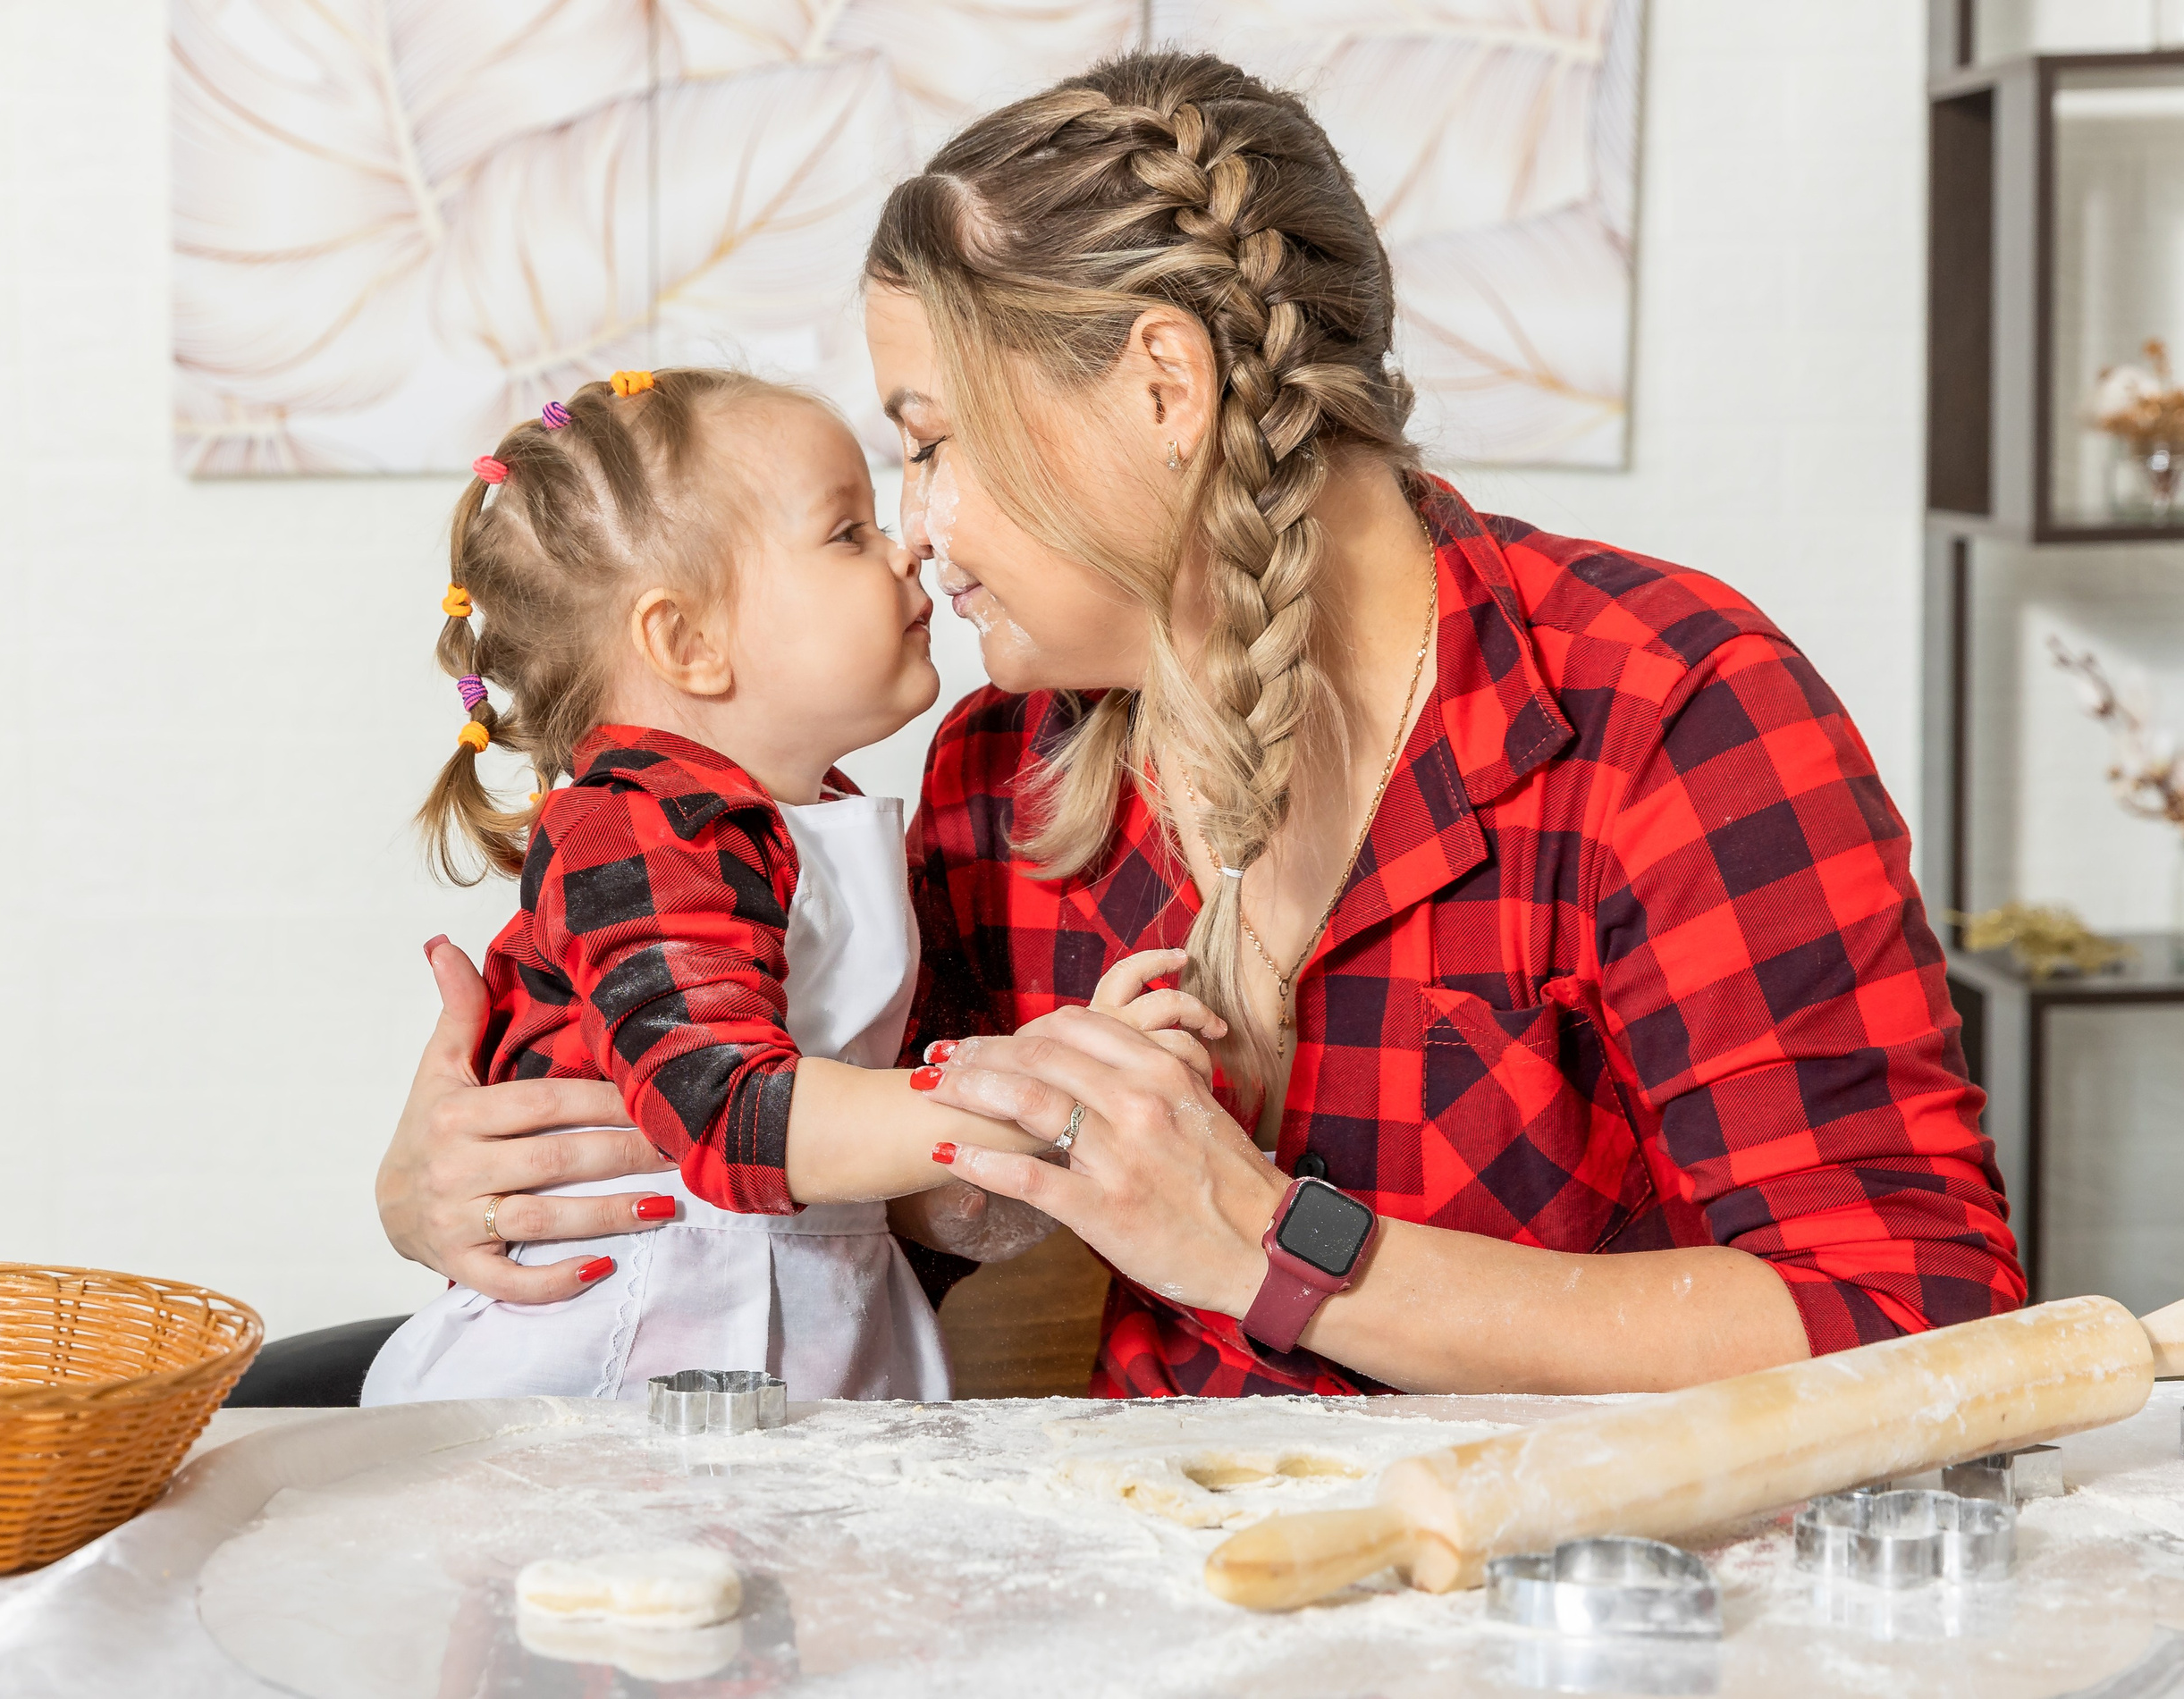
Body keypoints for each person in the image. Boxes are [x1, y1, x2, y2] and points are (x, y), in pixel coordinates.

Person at [377, 53, 2025, 1400]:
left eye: (935, 442)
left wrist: (1268, 1247)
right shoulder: (1001, 775)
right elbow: (885, 1224)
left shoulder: (1665, 713)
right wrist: (489, 1174)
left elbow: (1914, 1321)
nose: (920, 530)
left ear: (1164, 388)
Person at [360, 368, 1219, 1406]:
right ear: (688, 642)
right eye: (846, 532)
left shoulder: (828, 823)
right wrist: (1037, 1092)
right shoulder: (628, 821)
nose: (909, 543)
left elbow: (918, 1092)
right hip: (610, 1370)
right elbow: (726, 1111)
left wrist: (1070, 1069)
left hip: (809, 1345)